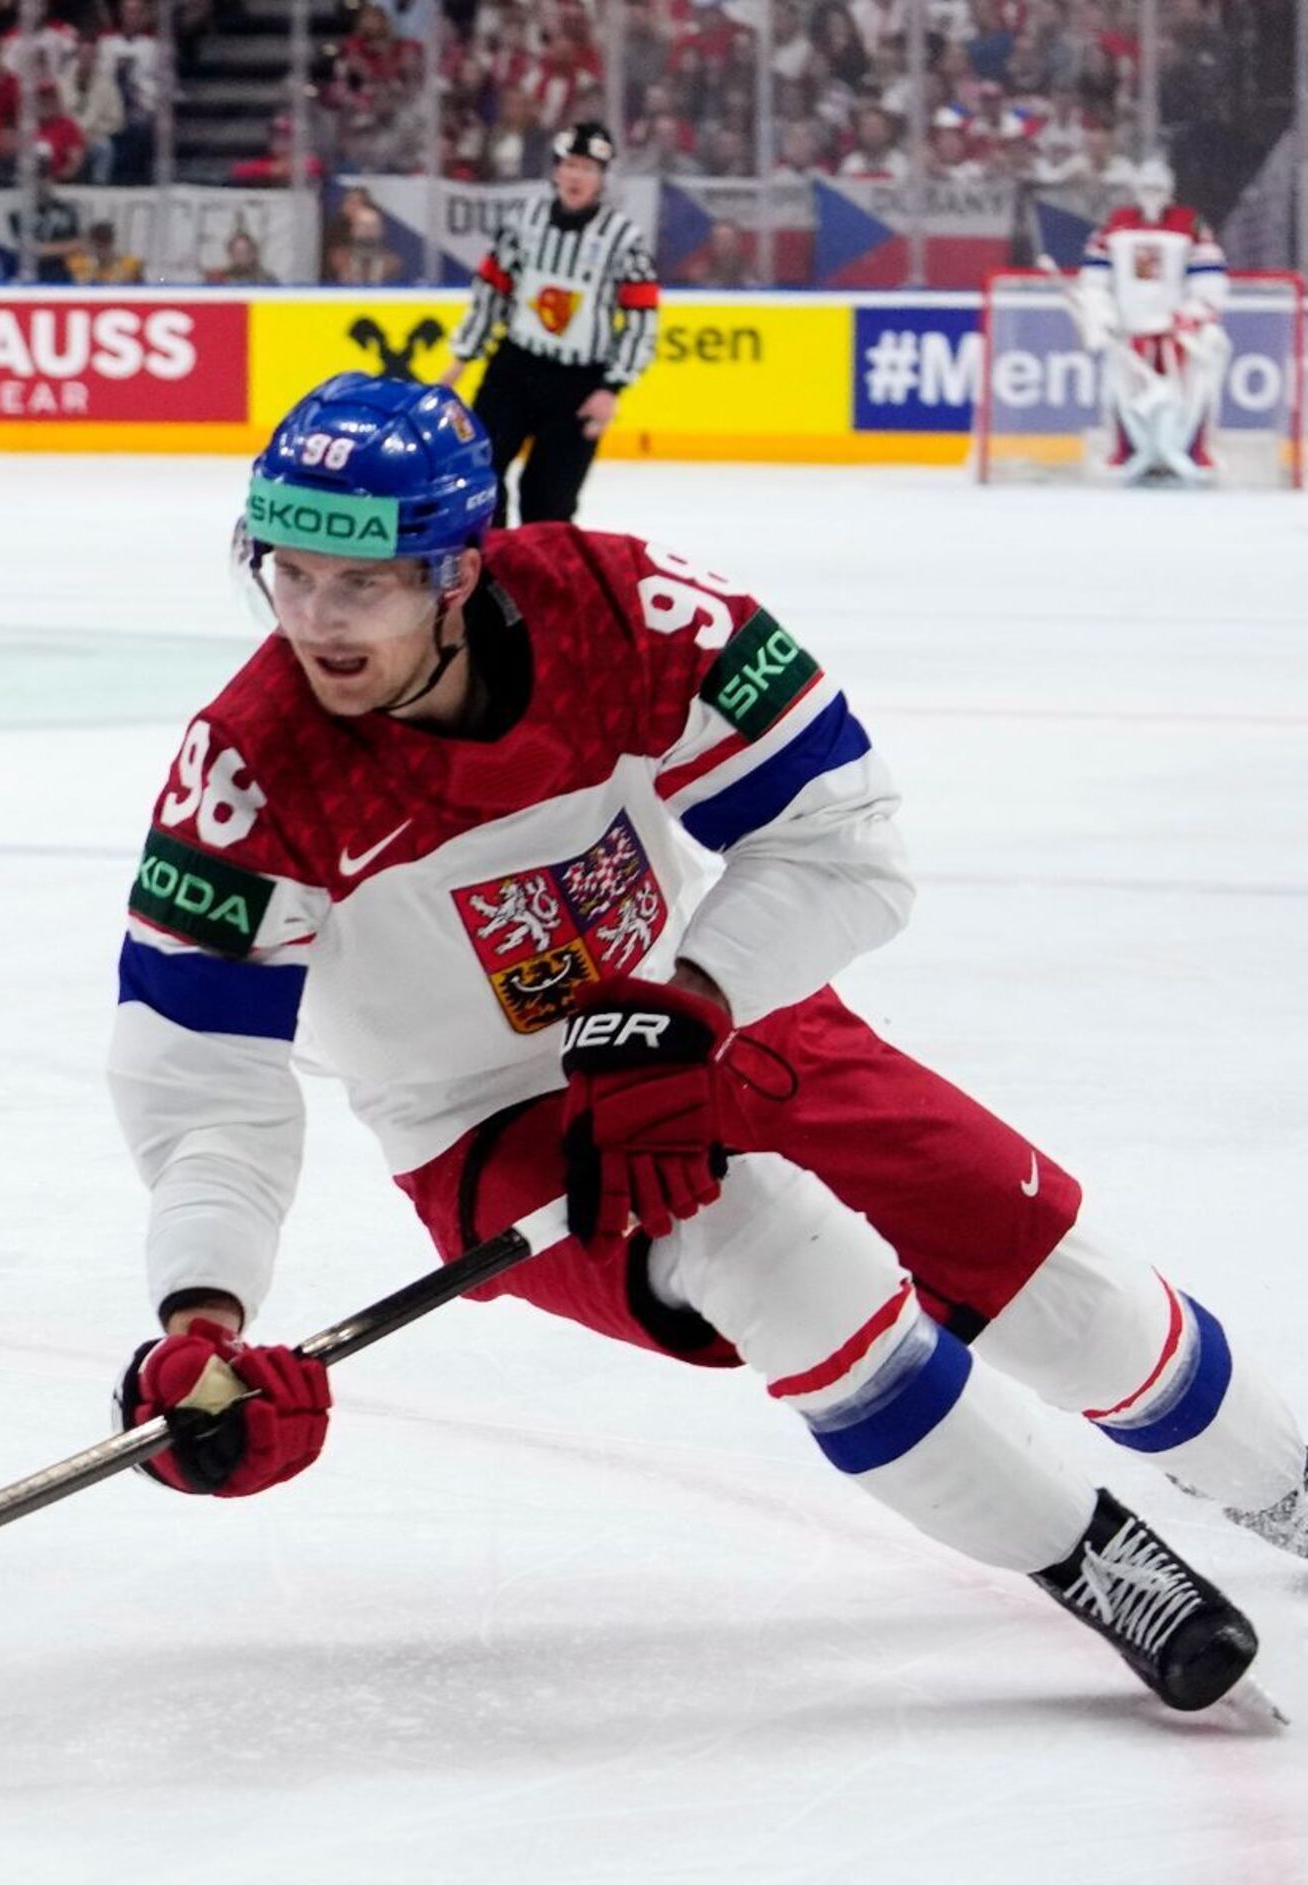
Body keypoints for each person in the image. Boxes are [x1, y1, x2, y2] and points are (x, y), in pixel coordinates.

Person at [106, 373, 1304, 1718]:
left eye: (359, 585)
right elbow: (202, 1088)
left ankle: (1286, 1486)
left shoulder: (618, 610)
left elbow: (844, 842)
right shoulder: (250, 775)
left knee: (1051, 1281)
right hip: (485, 1117)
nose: (313, 622)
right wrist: (197, 1322)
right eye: (286, 574)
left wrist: (689, 995)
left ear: (454, 571)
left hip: (714, 1011)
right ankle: (1088, 1558)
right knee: (767, 1246)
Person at [442, 120, 659, 526]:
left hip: (577, 383)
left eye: (589, 169)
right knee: (479, 474)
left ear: (601, 179)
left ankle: (538, 585)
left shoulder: (622, 238)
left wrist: (612, 388)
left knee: (549, 500)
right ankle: (488, 573)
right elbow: (493, 290)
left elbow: (640, 317)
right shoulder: (524, 220)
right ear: (557, 170)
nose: (577, 176)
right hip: (516, 367)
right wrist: (462, 358)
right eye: (571, 165)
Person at [1073, 153, 1230, 485]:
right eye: (1146, 187)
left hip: (1175, 333)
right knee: (1121, 393)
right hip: (1129, 331)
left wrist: (1192, 314)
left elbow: (1209, 280)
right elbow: (1095, 279)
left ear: (1170, 188)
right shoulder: (1116, 223)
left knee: (1192, 393)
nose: (1152, 194)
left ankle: (1192, 452)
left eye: (1158, 187)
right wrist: (1103, 313)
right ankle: (1125, 452)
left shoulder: (1191, 223)